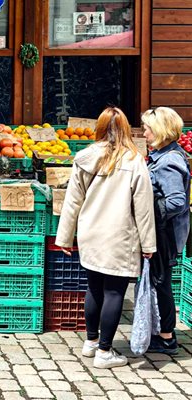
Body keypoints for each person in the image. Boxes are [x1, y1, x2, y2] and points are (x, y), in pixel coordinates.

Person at [55, 106, 156, 369]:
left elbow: (72, 201)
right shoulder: (134, 161)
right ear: (125, 130)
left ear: (99, 129)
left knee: (94, 288)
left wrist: (65, 237)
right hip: (119, 236)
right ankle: (105, 351)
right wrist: (149, 244)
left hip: (90, 233)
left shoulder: (85, 157)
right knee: (114, 292)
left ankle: (90, 342)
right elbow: (143, 208)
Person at [141, 106, 190, 354]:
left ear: (159, 131)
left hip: (164, 233)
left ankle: (167, 337)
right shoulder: (164, 155)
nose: (144, 133)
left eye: (147, 128)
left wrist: (149, 207)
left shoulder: (169, 161)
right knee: (158, 280)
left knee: (161, 282)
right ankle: (162, 331)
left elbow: (176, 201)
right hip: (163, 230)